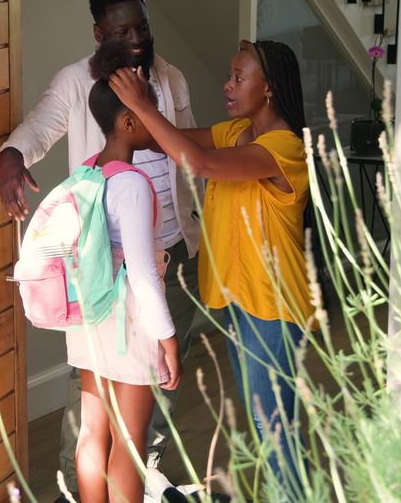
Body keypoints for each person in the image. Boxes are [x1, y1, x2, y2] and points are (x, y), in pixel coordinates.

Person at [0, 0, 201, 497]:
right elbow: (39, 129)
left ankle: (142, 482)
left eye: (141, 26)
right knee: (106, 417)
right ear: (98, 33)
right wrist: (11, 156)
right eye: (122, 30)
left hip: (172, 248)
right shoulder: (78, 85)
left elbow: (188, 144)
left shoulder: (169, 78)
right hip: (116, 279)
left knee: (151, 402)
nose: (136, 38)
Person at [109, 40, 316, 497]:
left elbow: (195, 161)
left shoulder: (284, 148)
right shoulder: (234, 133)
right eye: (230, 74)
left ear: (269, 89)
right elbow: (162, 144)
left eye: (239, 77)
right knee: (267, 425)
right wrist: (133, 107)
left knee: (273, 430)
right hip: (240, 302)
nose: (227, 84)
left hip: (275, 309)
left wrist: (141, 105)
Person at [70, 50, 182, 503]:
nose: (152, 121)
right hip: (128, 324)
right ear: (128, 123)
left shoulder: (86, 172)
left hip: (88, 317)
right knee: (131, 441)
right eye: (146, 112)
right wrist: (168, 336)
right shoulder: (133, 183)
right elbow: (141, 272)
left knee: (93, 432)